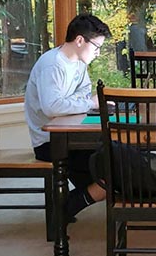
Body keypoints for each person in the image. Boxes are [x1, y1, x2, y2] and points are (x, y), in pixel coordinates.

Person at [24, 14, 111, 222]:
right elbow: (52, 107)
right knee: (111, 170)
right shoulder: (52, 65)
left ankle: (69, 204)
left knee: (115, 157)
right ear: (80, 40)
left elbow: (84, 91)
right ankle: (65, 208)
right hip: (50, 143)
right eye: (97, 47)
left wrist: (75, 102)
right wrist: (88, 103)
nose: (98, 53)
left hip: (70, 134)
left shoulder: (79, 63)